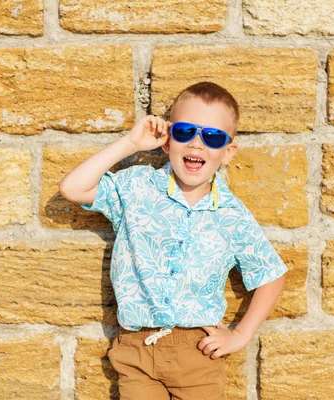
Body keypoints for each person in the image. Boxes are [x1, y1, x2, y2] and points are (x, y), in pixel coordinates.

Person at [58, 81, 288, 399]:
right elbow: (73, 188)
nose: (196, 144)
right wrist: (130, 144)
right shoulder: (137, 188)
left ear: (228, 151)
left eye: (212, 137)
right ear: (167, 141)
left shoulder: (232, 214)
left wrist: (240, 335)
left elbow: (271, 275)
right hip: (137, 353)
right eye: (184, 132)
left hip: (199, 357)